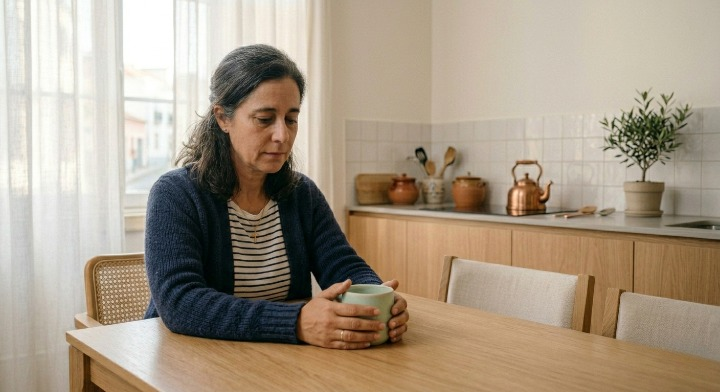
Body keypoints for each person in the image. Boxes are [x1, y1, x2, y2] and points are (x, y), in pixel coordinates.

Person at [144, 44, 409, 349]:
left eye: (291, 119)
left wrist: (379, 300)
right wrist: (295, 321)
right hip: (188, 363)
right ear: (223, 118)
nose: (282, 135)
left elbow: (342, 264)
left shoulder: (302, 195)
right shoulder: (176, 194)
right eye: (265, 118)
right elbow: (181, 303)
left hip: (278, 362)